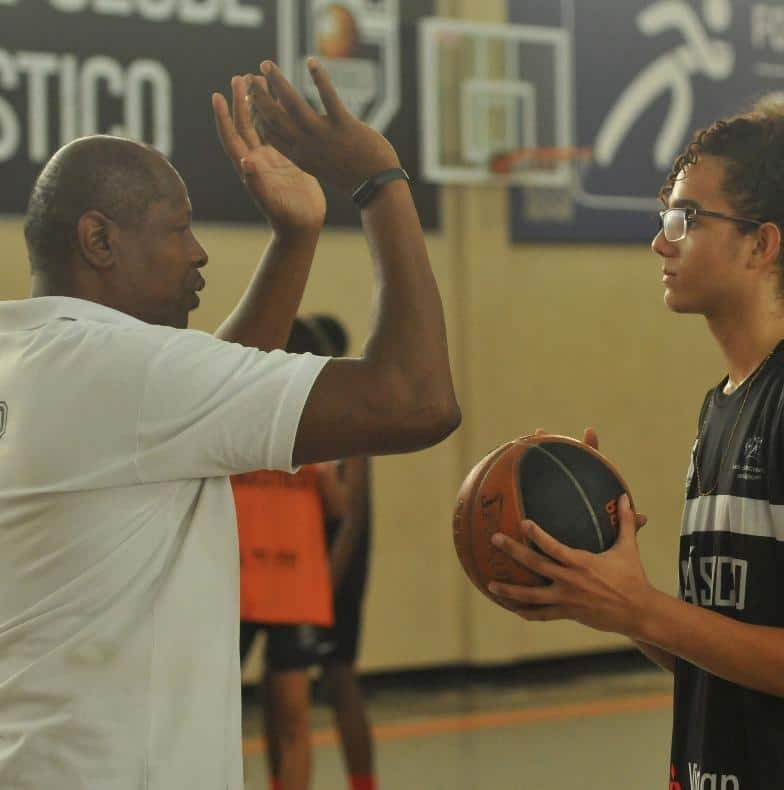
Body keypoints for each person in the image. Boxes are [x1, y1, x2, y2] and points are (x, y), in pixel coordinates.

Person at [0, 58, 459, 790]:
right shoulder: (122, 371)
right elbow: (417, 399)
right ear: (99, 240)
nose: (199, 250)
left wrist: (295, 238)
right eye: (178, 228)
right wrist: (378, 180)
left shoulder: (29, 354)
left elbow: (197, 414)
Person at [488, 104, 784, 789]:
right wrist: (615, 602)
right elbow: (727, 663)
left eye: (686, 219)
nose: (660, 242)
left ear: (761, 244)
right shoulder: (723, 406)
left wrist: (644, 610)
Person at [234, 318, 345, 790]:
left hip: (279, 586)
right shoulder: (234, 418)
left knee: (286, 715)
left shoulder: (314, 430)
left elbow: (337, 506)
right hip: (249, 585)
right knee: (279, 715)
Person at [304, 314, 380, 790]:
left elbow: (352, 514)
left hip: (336, 569)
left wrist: (327, 582)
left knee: (339, 679)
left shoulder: (349, 421)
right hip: (303, 564)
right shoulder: (311, 414)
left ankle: (364, 782)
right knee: (287, 684)